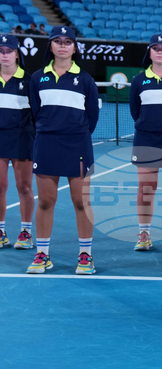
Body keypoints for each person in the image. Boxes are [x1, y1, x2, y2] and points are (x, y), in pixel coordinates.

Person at [26, 26, 100, 275]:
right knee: (46, 201)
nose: (62, 45)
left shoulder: (86, 80)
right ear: (50, 46)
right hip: (47, 144)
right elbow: (36, 113)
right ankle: (43, 254)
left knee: (81, 202)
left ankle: (86, 255)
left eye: (68, 41)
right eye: (57, 41)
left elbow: (92, 117)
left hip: (78, 145)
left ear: (75, 47)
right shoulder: (38, 78)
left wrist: (74, 132)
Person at [128, 34, 162, 252]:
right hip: (146, 139)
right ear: (149, 52)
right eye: (155, 48)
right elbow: (135, 111)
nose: (159, 52)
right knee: (146, 189)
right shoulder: (139, 81)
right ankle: (144, 234)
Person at [0, 34, 35, 251]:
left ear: (17, 54)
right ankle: (1, 231)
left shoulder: (29, 81)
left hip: (22, 138)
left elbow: (37, 113)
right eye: (1, 51)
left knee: (24, 187)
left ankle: (26, 232)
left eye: (9, 51)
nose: (4, 55)